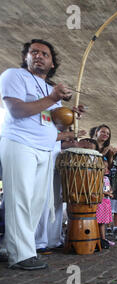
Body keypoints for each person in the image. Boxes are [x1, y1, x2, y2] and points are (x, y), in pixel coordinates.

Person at [0, 39, 85, 270]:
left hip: (46, 149)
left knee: (37, 203)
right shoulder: (13, 75)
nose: (39, 56)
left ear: (52, 63)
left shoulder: (49, 89)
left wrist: (70, 115)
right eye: (33, 52)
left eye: (45, 54)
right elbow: (17, 111)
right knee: (20, 199)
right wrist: (54, 99)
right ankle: (21, 255)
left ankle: (10, 247)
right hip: (20, 143)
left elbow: (52, 122)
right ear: (26, 57)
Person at [96, 157, 114, 248]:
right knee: (99, 221)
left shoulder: (106, 178)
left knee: (103, 222)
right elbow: (97, 189)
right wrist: (107, 193)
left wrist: (110, 192)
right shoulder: (97, 178)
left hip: (106, 202)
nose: (106, 169)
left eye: (107, 168)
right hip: (100, 202)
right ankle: (99, 238)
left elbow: (110, 187)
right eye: (104, 168)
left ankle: (103, 238)